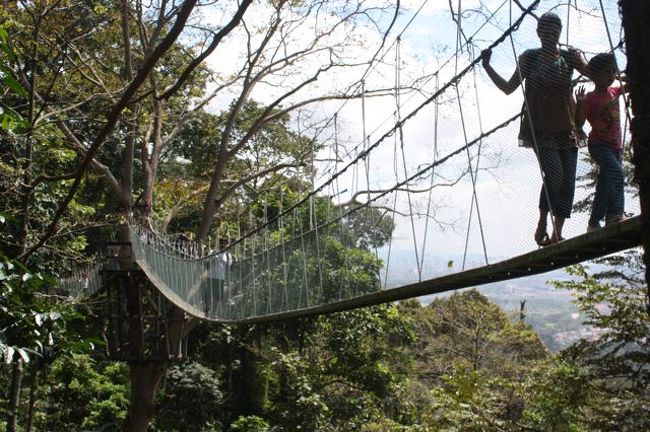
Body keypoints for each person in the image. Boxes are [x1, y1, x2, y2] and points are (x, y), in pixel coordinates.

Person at [481, 12, 590, 246]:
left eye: (555, 32)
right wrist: (487, 66)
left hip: (568, 129)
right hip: (540, 129)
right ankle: (542, 222)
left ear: (560, 33)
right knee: (555, 175)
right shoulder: (529, 58)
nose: (550, 36)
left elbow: (595, 73)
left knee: (568, 180)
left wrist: (585, 59)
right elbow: (509, 87)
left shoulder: (570, 58)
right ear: (538, 33)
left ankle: (556, 233)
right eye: (546, 32)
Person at [575, 53, 626, 232]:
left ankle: (593, 223)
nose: (611, 75)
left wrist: (621, 75)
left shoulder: (614, 91)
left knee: (605, 183)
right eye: (607, 72)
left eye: (613, 71)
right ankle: (615, 214)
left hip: (616, 147)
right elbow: (579, 123)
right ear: (594, 76)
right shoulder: (589, 98)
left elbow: (629, 87)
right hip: (599, 145)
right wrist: (580, 103)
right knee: (617, 174)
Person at [202, 238, 235, 315]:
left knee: (217, 297)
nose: (223, 245)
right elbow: (206, 263)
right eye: (221, 243)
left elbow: (230, 269)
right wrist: (211, 259)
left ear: (227, 245)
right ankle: (207, 310)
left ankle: (214, 313)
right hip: (211, 276)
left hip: (220, 278)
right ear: (219, 244)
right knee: (209, 295)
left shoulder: (228, 255)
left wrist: (234, 262)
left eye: (225, 244)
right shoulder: (213, 252)